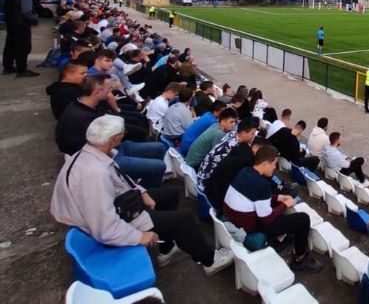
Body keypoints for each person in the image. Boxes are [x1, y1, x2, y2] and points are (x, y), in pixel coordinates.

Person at [50, 115, 233, 276]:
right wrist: (138, 237)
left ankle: (166, 247)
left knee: (169, 194)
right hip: (107, 220)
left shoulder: (93, 154)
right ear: (114, 139)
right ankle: (209, 261)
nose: (125, 135)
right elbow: (103, 226)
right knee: (183, 219)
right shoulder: (94, 175)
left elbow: (120, 180)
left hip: (119, 202)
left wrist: (142, 191)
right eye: (123, 133)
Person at [223, 144, 322, 272]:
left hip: (235, 216)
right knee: (303, 219)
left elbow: (255, 198)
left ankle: (280, 237)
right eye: (274, 164)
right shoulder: (262, 184)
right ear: (265, 163)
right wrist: (284, 205)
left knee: (277, 205)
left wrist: (277, 198)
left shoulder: (245, 171)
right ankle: (299, 258)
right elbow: (267, 219)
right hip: (250, 225)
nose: (275, 168)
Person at [55, 75, 167, 188]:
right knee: (159, 166)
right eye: (109, 88)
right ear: (98, 91)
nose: (111, 91)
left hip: (113, 149)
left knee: (160, 147)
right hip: (105, 159)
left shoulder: (83, 105)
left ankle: (147, 183)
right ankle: (143, 195)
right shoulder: (82, 117)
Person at [205, 135, 270, 211]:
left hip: (210, 190)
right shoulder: (248, 161)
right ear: (255, 147)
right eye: (263, 151)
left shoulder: (241, 149)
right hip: (218, 201)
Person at [197, 117, 259, 189]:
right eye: (252, 134)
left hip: (201, 173)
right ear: (243, 133)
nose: (254, 136)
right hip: (206, 182)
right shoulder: (235, 147)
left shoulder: (232, 134)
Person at [2, 0, 40, 77]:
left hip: (10, 23)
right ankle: (21, 69)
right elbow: (26, 13)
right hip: (22, 25)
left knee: (10, 46)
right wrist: (35, 19)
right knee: (24, 47)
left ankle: (8, 67)